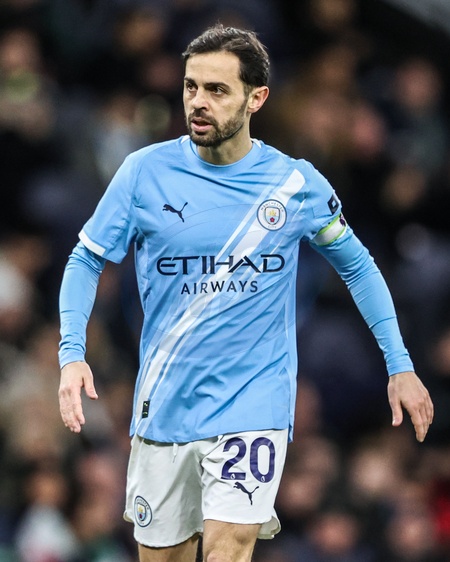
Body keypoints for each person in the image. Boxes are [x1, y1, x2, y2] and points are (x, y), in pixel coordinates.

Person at [58, 24, 434, 562]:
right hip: (164, 401)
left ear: (256, 98)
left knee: (229, 550)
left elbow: (358, 266)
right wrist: (72, 354)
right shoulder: (144, 173)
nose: (198, 102)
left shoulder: (294, 185)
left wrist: (399, 364)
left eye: (217, 89)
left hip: (253, 404)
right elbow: (86, 257)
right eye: (191, 87)